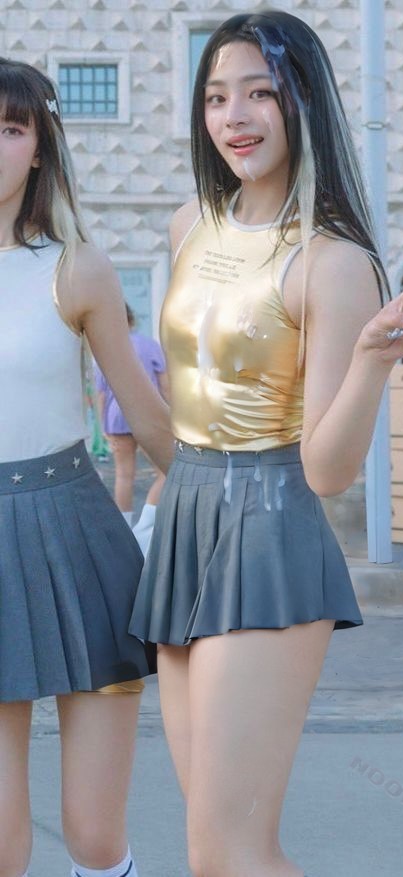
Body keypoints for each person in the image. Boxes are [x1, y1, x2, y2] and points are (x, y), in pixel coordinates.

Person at [129, 12, 403, 877]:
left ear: (302, 103)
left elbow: (327, 469)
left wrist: (371, 358)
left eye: (260, 92)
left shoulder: (333, 260)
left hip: (268, 530)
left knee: (232, 849)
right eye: (216, 96)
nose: (234, 116)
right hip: (183, 522)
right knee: (208, 848)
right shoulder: (188, 224)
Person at [0, 58, 173, 877]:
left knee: (93, 835)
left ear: (39, 147)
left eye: (11, 128)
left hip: (76, 533)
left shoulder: (76, 267)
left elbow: (147, 417)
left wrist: (244, 501)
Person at [95, 302, 169, 545]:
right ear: (132, 319)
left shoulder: (105, 348)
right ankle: (145, 528)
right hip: (148, 416)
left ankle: (125, 534)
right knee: (168, 471)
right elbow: (166, 386)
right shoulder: (150, 345)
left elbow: (100, 393)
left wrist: (102, 425)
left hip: (116, 418)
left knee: (123, 475)